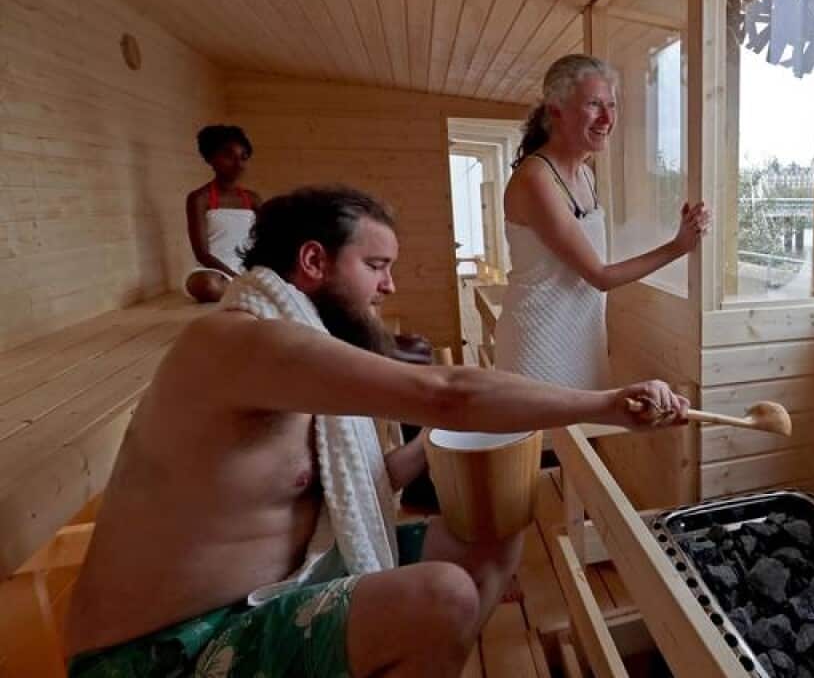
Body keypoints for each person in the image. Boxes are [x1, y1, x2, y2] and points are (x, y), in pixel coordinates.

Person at [65, 185, 688, 678]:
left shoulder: (297, 343)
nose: (388, 286)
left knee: (493, 532)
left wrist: (429, 448)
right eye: (376, 265)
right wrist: (602, 403)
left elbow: (348, 487)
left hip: (274, 595)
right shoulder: (237, 340)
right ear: (314, 261)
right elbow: (446, 393)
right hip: (171, 648)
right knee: (442, 594)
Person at [494, 54, 710, 390]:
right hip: (537, 339)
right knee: (548, 442)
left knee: (584, 435)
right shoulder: (536, 179)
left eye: (612, 104)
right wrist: (678, 246)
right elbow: (599, 276)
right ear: (556, 110)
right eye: (594, 105)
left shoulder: (585, 175)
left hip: (581, 336)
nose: (608, 117)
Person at [186, 125, 262, 303]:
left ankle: (245, 291)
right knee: (206, 286)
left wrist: (253, 272)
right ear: (210, 159)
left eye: (243, 157)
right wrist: (236, 278)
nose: (238, 164)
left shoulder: (253, 199)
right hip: (215, 271)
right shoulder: (199, 198)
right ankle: (249, 293)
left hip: (248, 267)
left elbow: (265, 241)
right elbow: (202, 254)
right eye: (229, 156)